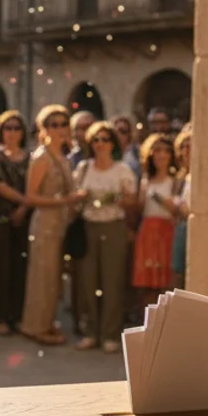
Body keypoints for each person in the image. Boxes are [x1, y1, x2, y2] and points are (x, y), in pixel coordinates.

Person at [19, 105, 87, 346]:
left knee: (53, 278)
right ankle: (35, 326)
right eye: (53, 125)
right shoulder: (41, 157)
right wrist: (67, 200)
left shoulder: (62, 156)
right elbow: (30, 197)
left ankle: (46, 322)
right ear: (43, 129)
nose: (59, 129)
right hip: (45, 223)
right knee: (42, 276)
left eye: (62, 124)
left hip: (60, 223)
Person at [74, 121, 138, 354]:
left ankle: (110, 333)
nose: (100, 144)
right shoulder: (83, 168)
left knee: (112, 281)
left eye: (105, 139)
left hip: (114, 226)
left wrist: (119, 199)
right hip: (89, 226)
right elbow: (75, 197)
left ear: (113, 143)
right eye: (96, 140)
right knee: (87, 280)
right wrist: (82, 197)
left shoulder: (122, 170)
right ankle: (90, 331)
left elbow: (133, 201)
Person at [0, 110, 32, 336]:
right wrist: (24, 201)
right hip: (0, 217)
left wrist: (24, 207)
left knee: (21, 266)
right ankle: (0, 316)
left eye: (16, 128)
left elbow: (35, 184)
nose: (12, 132)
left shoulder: (32, 157)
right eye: (8, 128)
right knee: (1, 266)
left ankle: (19, 315)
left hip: (26, 218)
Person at [133, 134, 180, 298]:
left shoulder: (175, 180)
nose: (161, 155)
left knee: (166, 283)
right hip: (147, 231)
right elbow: (139, 209)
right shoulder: (146, 180)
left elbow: (176, 209)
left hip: (167, 231)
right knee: (146, 284)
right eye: (157, 150)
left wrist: (158, 198)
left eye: (166, 151)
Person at [172, 125, 192, 289]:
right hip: (180, 229)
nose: (186, 150)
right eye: (183, 146)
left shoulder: (199, 177)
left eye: (190, 145)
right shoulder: (180, 177)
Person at [112, 115, 143, 179]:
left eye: (123, 131)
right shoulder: (107, 151)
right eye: (116, 132)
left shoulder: (137, 151)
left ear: (129, 133)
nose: (119, 135)